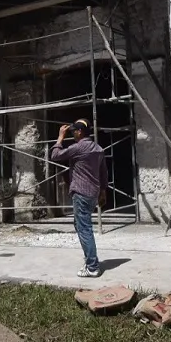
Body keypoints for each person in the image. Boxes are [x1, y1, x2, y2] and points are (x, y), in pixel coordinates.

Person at [49, 118, 108, 278]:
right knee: (81, 226)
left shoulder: (78, 148)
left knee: (84, 228)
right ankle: (90, 258)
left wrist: (60, 137)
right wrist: (103, 191)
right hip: (93, 193)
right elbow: (103, 172)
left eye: (73, 130)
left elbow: (55, 155)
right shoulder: (98, 148)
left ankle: (92, 267)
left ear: (80, 132)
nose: (72, 133)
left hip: (81, 193)